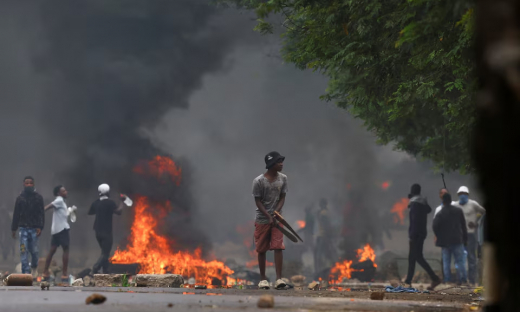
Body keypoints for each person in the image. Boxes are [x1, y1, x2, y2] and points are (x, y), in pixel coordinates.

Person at [252, 151, 288, 290]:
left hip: (277, 219)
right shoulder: (258, 181)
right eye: (279, 162)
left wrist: (275, 213)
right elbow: (258, 201)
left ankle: (279, 279)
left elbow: (282, 197)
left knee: (278, 247)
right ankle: (263, 280)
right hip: (262, 219)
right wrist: (268, 216)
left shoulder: (283, 178)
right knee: (262, 249)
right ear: (271, 164)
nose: (281, 164)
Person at [404, 183, 441, 290]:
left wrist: (411, 235)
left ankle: (434, 278)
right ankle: (408, 281)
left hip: (415, 234)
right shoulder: (422, 202)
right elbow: (428, 209)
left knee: (416, 257)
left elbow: (414, 221)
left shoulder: (414, 203)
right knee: (413, 257)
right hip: (422, 233)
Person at [88, 184, 126, 274]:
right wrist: (122, 201)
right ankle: (95, 269)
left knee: (104, 252)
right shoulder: (110, 203)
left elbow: (90, 212)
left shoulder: (96, 203)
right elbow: (119, 211)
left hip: (97, 232)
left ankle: (106, 271)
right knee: (105, 253)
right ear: (108, 192)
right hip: (106, 232)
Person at [11, 176, 45, 277]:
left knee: (34, 251)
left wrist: (40, 226)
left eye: (31, 183)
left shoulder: (38, 198)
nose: (29, 185)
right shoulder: (20, 198)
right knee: (23, 250)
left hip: (34, 228)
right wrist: (13, 228)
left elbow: (41, 213)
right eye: (27, 183)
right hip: (23, 229)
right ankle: (25, 272)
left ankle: (34, 267)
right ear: (23, 184)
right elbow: (16, 214)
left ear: (33, 184)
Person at [433, 193, 468, 284]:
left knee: (446, 262)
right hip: (457, 240)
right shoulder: (458, 211)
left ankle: (447, 280)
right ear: (450, 200)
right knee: (460, 261)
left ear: (443, 201)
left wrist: (438, 235)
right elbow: (463, 226)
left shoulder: (441, 212)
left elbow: (435, 226)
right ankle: (462, 279)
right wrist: (465, 239)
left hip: (445, 241)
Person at [454, 186, 486, 285]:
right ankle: (460, 279)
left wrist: (477, 223)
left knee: (471, 257)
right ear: (458, 195)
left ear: (467, 195)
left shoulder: (473, 204)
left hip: (470, 234)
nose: (462, 195)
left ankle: (472, 280)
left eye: (464, 193)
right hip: (459, 234)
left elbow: (484, 212)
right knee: (459, 257)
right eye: (460, 194)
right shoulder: (455, 205)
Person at [42, 185, 71, 281]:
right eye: (64, 191)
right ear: (59, 193)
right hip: (62, 229)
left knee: (52, 250)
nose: (66, 192)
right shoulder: (59, 200)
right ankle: (64, 274)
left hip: (56, 230)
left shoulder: (61, 201)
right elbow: (49, 206)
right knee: (66, 250)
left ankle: (45, 272)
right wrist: (41, 211)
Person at [314, 198, 338, 275]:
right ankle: (326, 270)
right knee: (326, 253)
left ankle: (320, 271)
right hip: (324, 236)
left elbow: (326, 225)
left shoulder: (323, 213)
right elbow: (327, 225)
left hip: (322, 236)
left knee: (321, 254)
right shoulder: (324, 213)